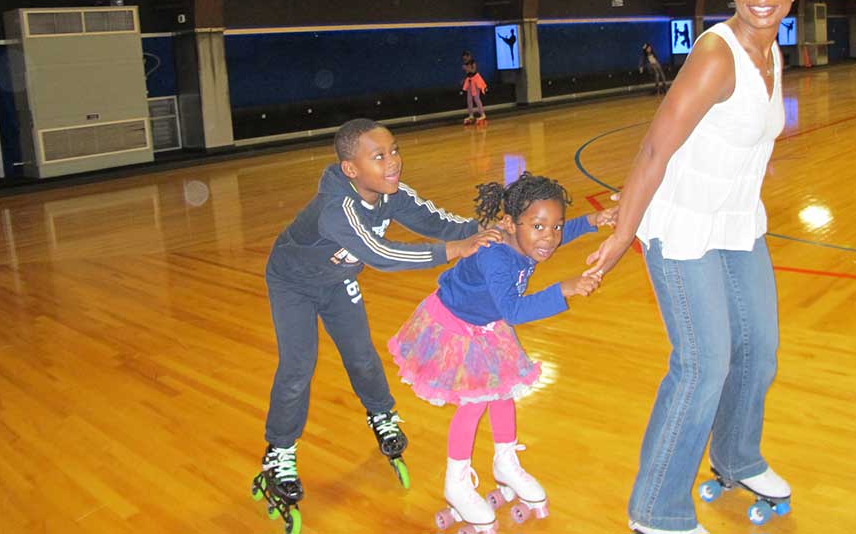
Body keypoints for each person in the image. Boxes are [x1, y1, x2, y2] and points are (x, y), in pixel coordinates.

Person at [584, 0, 800, 534]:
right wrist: (626, 229)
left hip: (738, 224)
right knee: (703, 363)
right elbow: (655, 149)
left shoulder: (772, 51)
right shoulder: (716, 53)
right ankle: (656, 512)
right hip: (682, 229)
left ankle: (737, 457)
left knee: (758, 353)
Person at [257, 118, 502, 514]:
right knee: (298, 366)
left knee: (361, 355)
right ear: (351, 170)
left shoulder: (392, 194)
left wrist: (484, 229)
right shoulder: (336, 210)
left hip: (337, 281)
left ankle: (382, 415)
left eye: (394, 150)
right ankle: (279, 451)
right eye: (379, 156)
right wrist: (452, 251)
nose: (393, 162)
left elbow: (436, 221)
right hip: (293, 284)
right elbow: (381, 254)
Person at [388, 173, 615, 532]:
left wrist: (590, 221)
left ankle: (505, 463)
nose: (550, 237)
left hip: (486, 325)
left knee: (504, 390)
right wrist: (564, 290)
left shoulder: (529, 239)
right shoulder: (497, 257)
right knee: (475, 402)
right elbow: (514, 311)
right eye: (539, 226)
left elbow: (555, 236)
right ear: (509, 223)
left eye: (555, 226)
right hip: (455, 328)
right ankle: (456, 481)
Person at [461, 56, 488, 125]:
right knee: (469, 99)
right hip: (470, 80)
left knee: (476, 98)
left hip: (476, 80)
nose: (465, 59)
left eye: (466, 58)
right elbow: (468, 73)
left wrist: (467, 68)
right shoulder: (465, 64)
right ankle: (471, 115)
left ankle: (482, 114)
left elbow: (473, 71)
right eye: (464, 58)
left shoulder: (473, 62)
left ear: (468, 56)